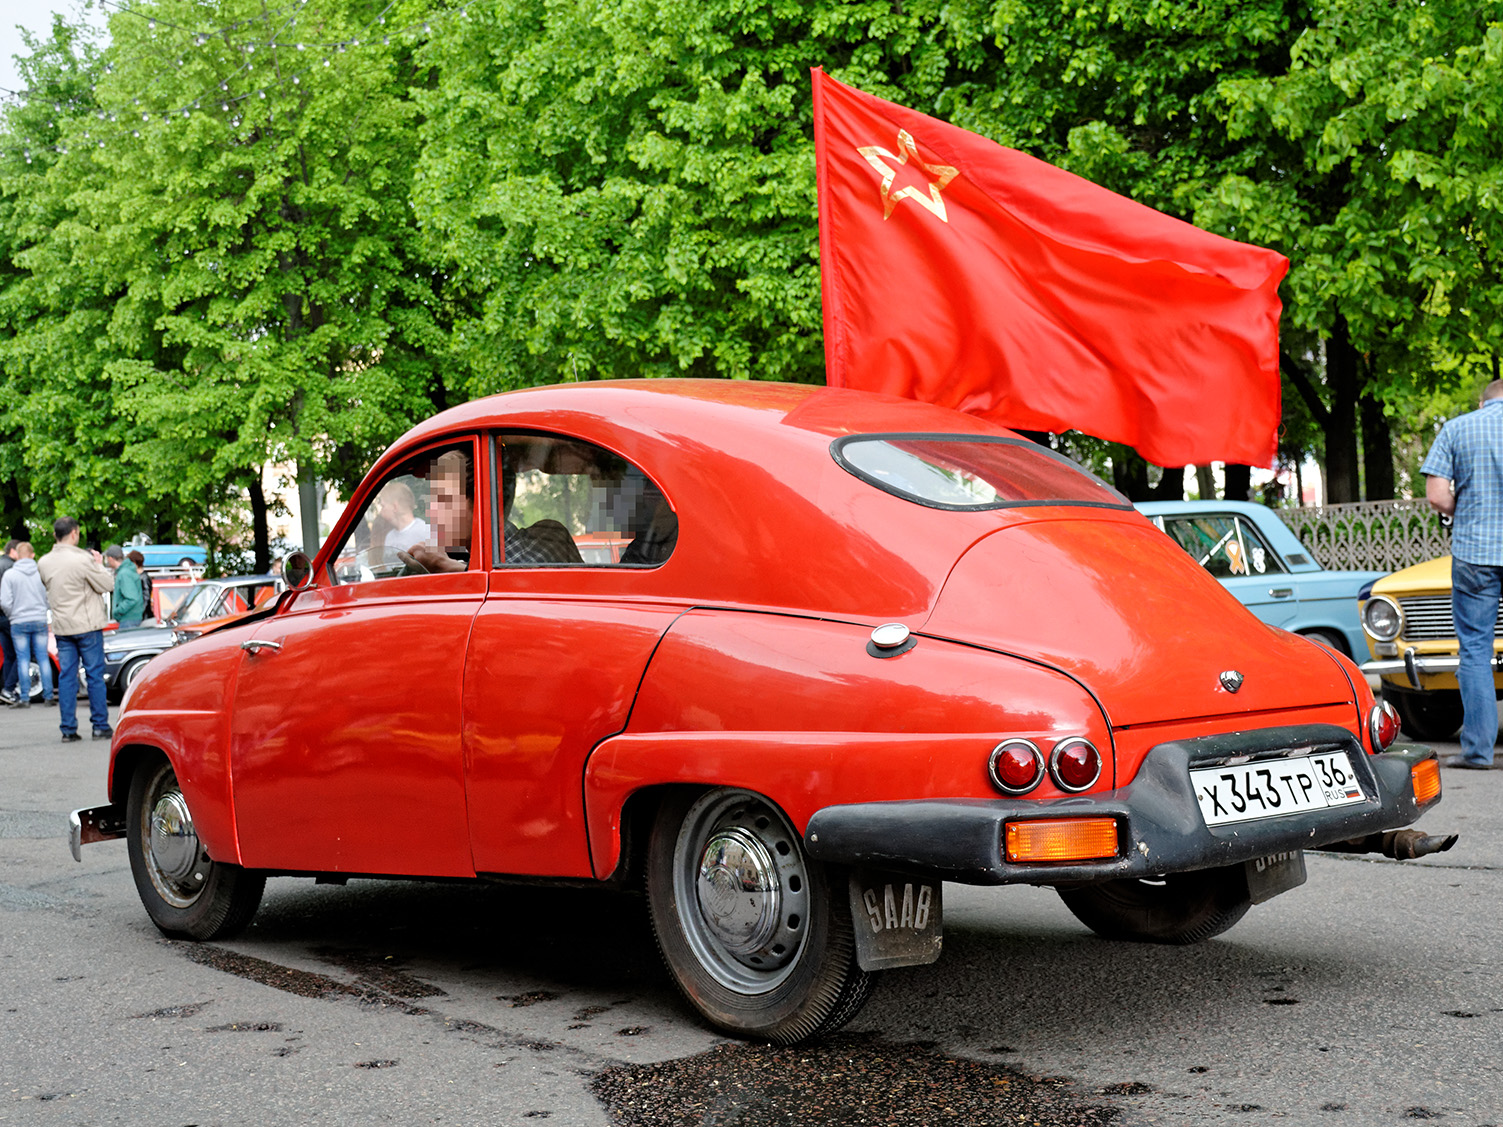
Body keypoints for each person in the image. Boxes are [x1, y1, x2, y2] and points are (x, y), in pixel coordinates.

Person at [1423, 378, 1503, 769]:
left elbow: (1437, 495)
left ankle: (1478, 752)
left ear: (1482, 401)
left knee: (1475, 651)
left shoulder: (1457, 428)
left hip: (1476, 552)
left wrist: (1467, 510)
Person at [37, 517, 114, 743]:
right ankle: (100, 726)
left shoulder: (44, 562)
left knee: (67, 677)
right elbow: (107, 585)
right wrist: (98, 564)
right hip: (87, 624)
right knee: (94, 676)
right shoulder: (83, 559)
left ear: (55, 535)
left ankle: (68, 729)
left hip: (62, 626)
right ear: (74, 533)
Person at [0, 542, 53, 707]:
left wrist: (13, 615)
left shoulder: (10, 575)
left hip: (18, 621)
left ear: (17, 554)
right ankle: (49, 696)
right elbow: (50, 596)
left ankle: (24, 698)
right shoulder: (41, 573)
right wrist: (44, 611)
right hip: (39, 619)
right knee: (43, 657)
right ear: (32, 554)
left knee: (22, 659)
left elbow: (4, 601)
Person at [104, 545, 146, 628]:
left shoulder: (124, 574)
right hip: (132, 618)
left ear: (111, 558)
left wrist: (117, 611)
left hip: (128, 620)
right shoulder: (128, 571)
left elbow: (132, 599)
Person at [0, 539, 18, 705]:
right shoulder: (11, 567)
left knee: (8, 656)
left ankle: (6, 691)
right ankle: (8, 688)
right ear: (13, 551)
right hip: (8, 616)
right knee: (22, 653)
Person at [127, 550, 154, 621]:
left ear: (134, 563)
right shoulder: (137, 576)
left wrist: (138, 613)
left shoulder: (144, 578)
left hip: (144, 618)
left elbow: (146, 597)